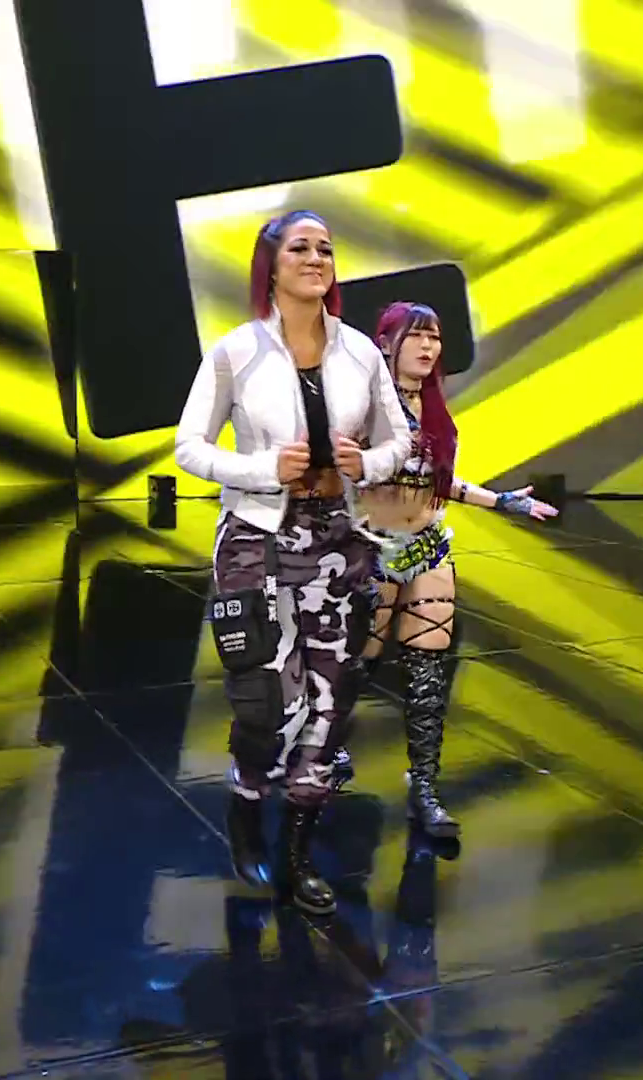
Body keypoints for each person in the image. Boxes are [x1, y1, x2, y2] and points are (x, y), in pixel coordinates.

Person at [174, 210, 411, 915]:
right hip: (257, 539)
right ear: (271, 267)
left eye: (326, 249)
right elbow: (188, 447)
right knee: (268, 704)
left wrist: (366, 462)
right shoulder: (236, 352)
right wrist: (260, 468)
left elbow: (398, 440)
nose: (316, 258)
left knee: (330, 707)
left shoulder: (361, 353)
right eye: (301, 248)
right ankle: (246, 802)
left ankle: (298, 852)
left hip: (339, 541)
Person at [357, 301, 558, 840]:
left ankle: (424, 787)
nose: (429, 347)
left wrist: (505, 502)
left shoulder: (434, 410)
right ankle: (311, 754)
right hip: (372, 551)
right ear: (385, 343)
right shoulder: (363, 405)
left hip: (428, 549)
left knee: (428, 676)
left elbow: (443, 484)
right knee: (358, 666)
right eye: (417, 336)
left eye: (435, 337)